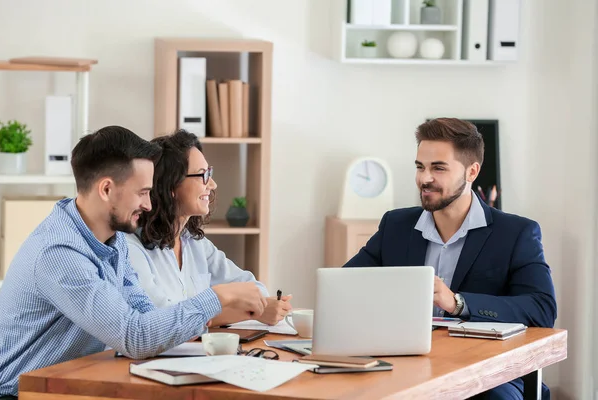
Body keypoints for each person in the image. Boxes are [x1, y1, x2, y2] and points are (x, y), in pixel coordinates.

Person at [0, 126, 266, 399]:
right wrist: (219, 297)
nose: (150, 205)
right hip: (21, 394)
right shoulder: (60, 254)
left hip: (70, 382)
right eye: (142, 192)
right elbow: (134, 337)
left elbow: (146, 320)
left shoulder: (112, 242)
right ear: (106, 189)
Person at [343, 118, 556, 399]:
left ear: (472, 171)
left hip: (487, 372)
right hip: (402, 363)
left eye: (438, 168)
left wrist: (458, 303)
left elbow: (541, 310)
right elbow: (346, 285)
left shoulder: (516, 233)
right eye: (420, 167)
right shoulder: (396, 225)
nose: (424, 178)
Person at [126, 129, 292, 326]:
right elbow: (163, 321)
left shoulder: (194, 243)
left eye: (209, 173)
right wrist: (248, 312)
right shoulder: (131, 248)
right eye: (203, 175)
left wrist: (250, 306)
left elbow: (253, 288)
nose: (212, 184)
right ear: (170, 186)